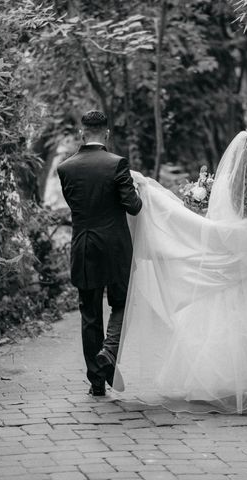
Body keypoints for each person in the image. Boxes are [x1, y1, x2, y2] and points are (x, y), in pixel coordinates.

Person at [113, 129, 247, 414]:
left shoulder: (225, 183)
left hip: (229, 259)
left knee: (224, 317)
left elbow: (217, 223)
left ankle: (213, 381)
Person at [57, 110, 142, 397]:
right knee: (122, 303)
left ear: (82, 133)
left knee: (89, 314)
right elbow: (133, 206)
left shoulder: (65, 169)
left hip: (84, 246)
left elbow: (75, 206)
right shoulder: (117, 164)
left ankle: (96, 382)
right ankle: (109, 350)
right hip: (116, 248)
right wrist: (137, 189)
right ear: (106, 133)